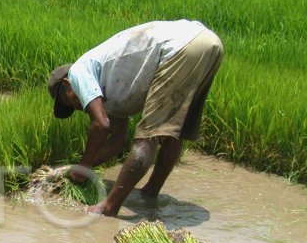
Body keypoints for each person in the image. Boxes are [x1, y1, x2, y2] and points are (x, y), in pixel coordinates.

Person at [47, 20, 223, 218]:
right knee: (174, 131)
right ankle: (150, 193)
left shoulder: (79, 71)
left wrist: (83, 168)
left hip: (181, 47)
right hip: (209, 43)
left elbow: (101, 125)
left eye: (66, 101)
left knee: (148, 136)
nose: (76, 107)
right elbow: (117, 141)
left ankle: (109, 207)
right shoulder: (108, 91)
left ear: (66, 84)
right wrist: (77, 168)